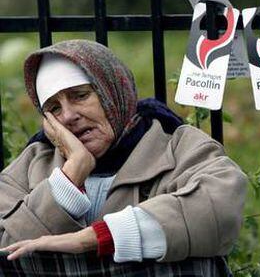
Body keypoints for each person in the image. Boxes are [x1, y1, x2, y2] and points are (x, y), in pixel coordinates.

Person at [0, 40, 247, 273]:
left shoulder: (177, 146)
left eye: (80, 95)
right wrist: (71, 174)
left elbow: (220, 206)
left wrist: (97, 237)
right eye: (54, 108)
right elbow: (5, 249)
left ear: (112, 91)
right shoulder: (33, 162)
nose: (68, 116)